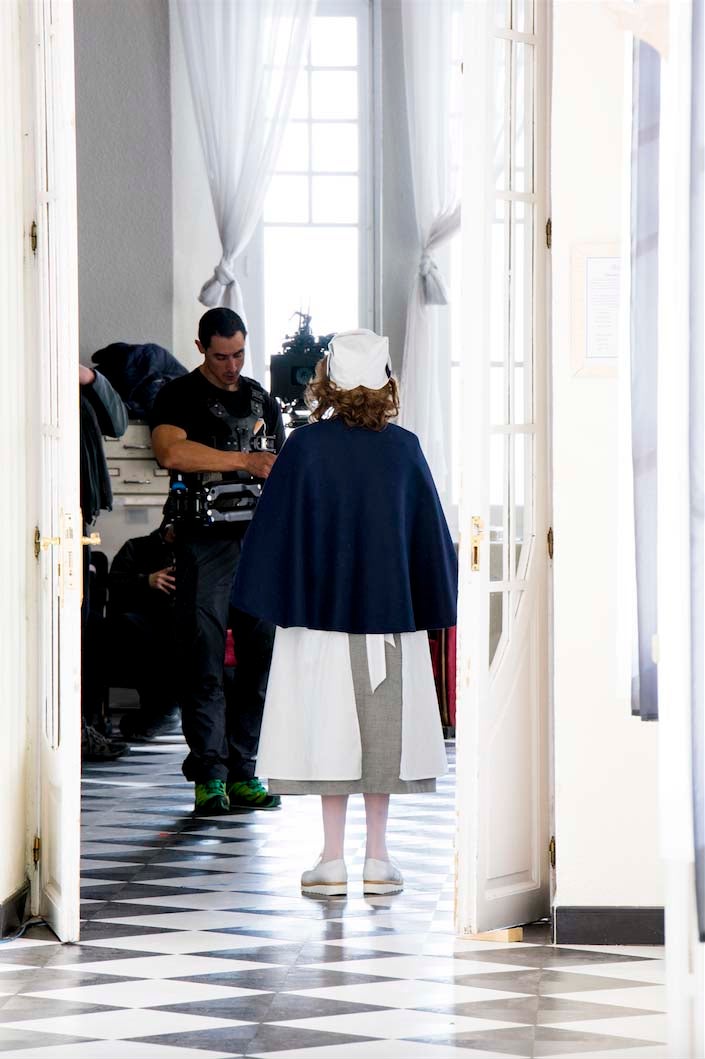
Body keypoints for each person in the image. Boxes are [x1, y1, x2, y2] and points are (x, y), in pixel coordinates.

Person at [232, 329, 458, 896]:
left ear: (328, 380)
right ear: (386, 381)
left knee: (328, 728)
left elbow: (277, 531)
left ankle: (331, 858)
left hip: (319, 618)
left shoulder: (305, 448)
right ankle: (378, 857)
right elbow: (428, 537)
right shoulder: (404, 447)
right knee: (385, 732)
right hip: (387, 617)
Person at [150, 307, 285, 814]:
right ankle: (209, 775)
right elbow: (172, 454)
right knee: (202, 654)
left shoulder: (260, 400)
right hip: (203, 540)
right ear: (201, 347)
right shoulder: (178, 394)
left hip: (258, 542)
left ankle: (245, 770)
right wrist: (243, 461)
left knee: (259, 658)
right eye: (221, 355)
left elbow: (280, 465)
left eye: (239, 354)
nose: (231, 366)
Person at [79, 363, 129, 762]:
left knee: (86, 628)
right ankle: (78, 726)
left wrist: (93, 380)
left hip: (76, 518)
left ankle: (84, 724)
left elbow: (119, 423)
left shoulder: (83, 385)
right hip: (57, 517)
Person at [107, 522, 181, 741]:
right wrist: (146, 581)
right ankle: (162, 709)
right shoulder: (137, 547)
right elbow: (115, 585)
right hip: (145, 620)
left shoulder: (199, 550)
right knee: (136, 630)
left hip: (182, 622)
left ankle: (164, 710)